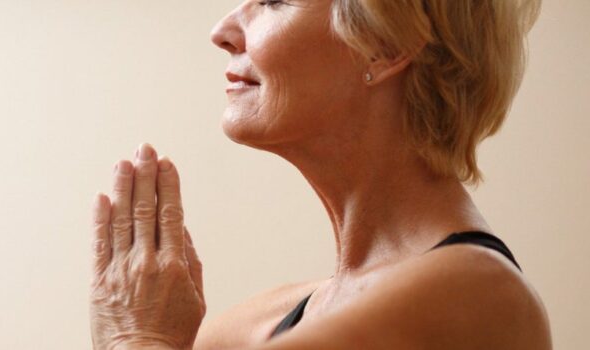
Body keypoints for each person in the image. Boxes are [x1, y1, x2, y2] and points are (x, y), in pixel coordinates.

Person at [87, 0, 551, 349]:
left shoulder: (478, 295)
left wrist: (136, 335)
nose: (223, 30)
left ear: (385, 45)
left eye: (272, 0)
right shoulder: (246, 329)